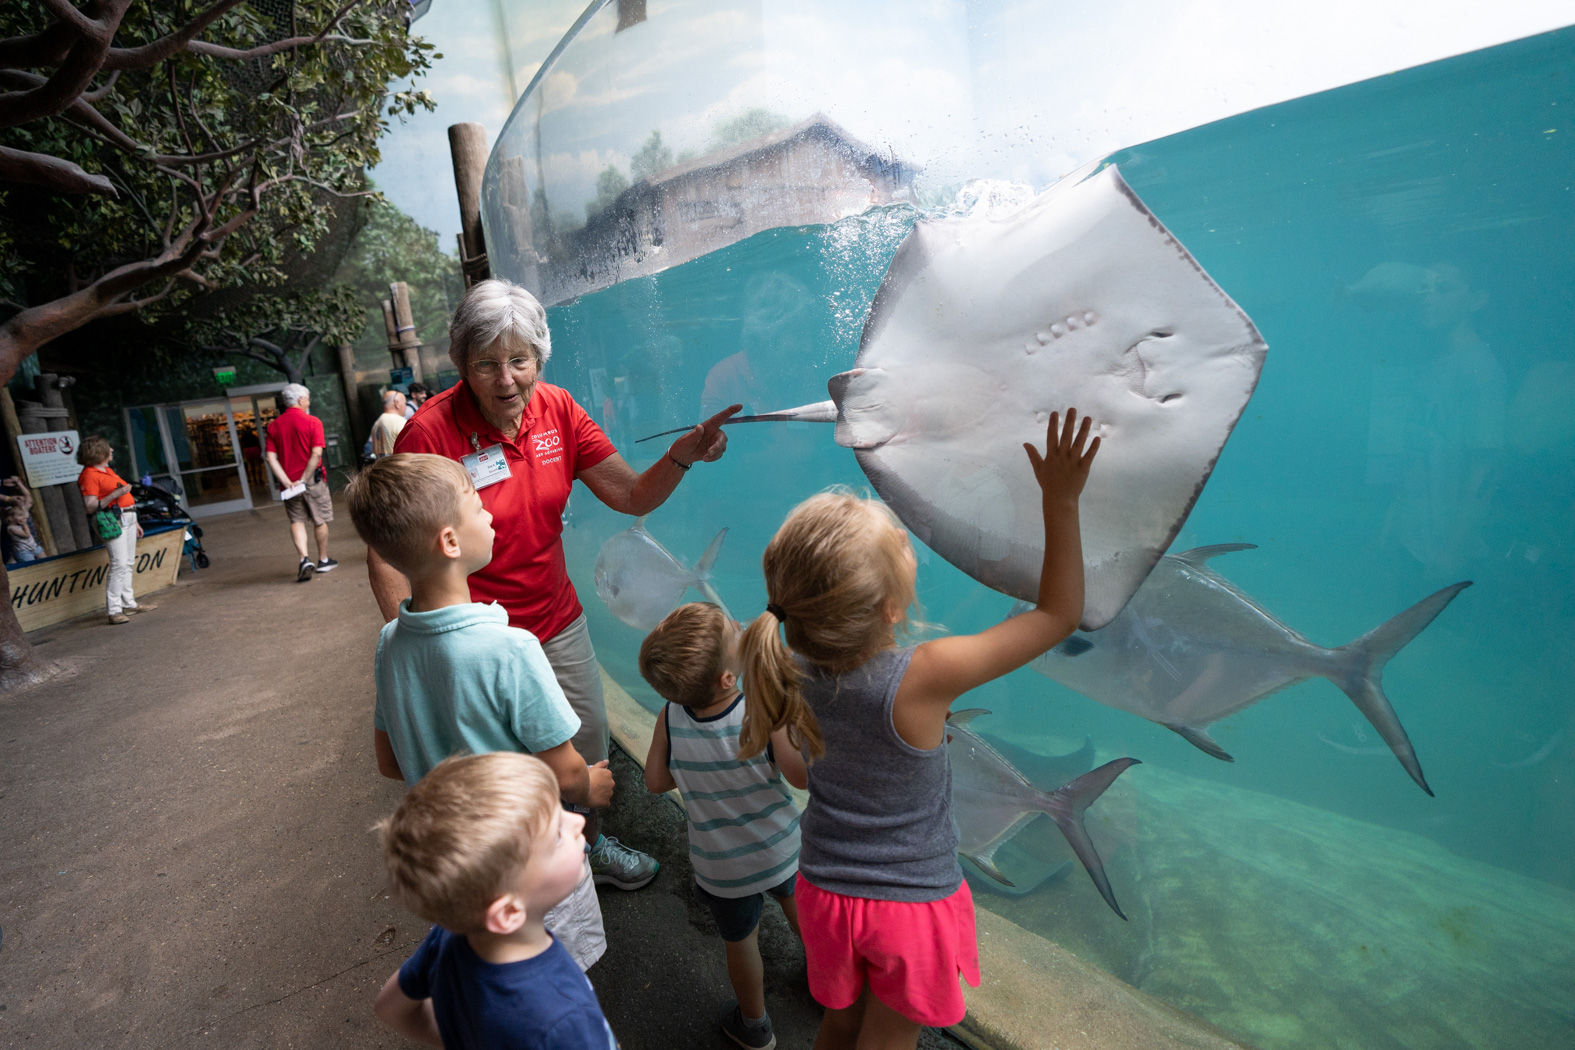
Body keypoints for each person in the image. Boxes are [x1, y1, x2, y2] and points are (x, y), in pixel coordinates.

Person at [737, 411, 1100, 1050]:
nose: (910, 545)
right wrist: (1061, 501)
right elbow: (1059, 613)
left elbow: (798, 772)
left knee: (841, 1022)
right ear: (892, 608)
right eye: (904, 547)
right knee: (889, 1036)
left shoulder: (784, 666)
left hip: (823, 891)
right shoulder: (924, 676)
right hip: (908, 908)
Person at [373, 277, 742, 891]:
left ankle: (586, 847)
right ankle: (519, 875)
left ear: (539, 358)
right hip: (475, 637)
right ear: (462, 364)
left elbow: (628, 493)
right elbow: (386, 552)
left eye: (519, 361)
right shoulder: (429, 435)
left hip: (556, 619)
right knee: (498, 765)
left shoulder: (559, 409)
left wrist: (681, 456)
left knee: (584, 746)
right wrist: (410, 638)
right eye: (486, 364)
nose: (506, 379)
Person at [347, 452, 614, 971]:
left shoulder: (389, 644)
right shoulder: (510, 648)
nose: (490, 513)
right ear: (450, 542)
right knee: (557, 980)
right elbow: (563, 771)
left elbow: (390, 762)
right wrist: (591, 787)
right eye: (477, 504)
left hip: (458, 871)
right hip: (531, 863)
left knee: (495, 977)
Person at [639, 602, 807, 1050]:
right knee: (803, 914)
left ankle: (754, 1027)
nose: (742, 626)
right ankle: (832, 983)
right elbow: (799, 775)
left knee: (741, 943)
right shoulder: (763, 712)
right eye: (735, 630)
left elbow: (655, 781)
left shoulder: (671, 718)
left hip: (721, 868)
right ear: (728, 679)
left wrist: (692, 764)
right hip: (781, 849)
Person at [372, 752, 618, 1050]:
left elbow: (390, 1007)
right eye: (555, 835)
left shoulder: (448, 937)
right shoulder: (564, 1022)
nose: (577, 821)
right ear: (509, 912)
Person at [76, 436, 156, 625]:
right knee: (119, 564)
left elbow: (122, 498)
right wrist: (115, 494)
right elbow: (89, 506)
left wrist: (135, 521)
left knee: (127, 562)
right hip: (111, 520)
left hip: (127, 517)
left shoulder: (107, 471)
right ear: (98, 452)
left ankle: (129, 603)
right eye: (107, 448)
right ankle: (114, 610)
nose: (111, 450)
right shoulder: (89, 474)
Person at [264, 383, 337, 581]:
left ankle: (304, 558)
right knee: (319, 519)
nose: (309, 402)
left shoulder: (273, 426)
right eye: (307, 398)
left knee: (297, 520)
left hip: (288, 487)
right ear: (300, 400)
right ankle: (323, 560)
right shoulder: (313, 422)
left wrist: (288, 482)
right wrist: (303, 479)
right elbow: (316, 453)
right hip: (312, 480)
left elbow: (271, 457)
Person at [2, 476, 45, 564]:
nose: (22, 499)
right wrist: (8, 499)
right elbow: (26, 535)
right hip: (21, 546)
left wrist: (18, 483)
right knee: (17, 560)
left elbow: (27, 495)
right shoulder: (10, 512)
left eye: (23, 499)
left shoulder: (24, 509)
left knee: (45, 561)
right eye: (19, 498)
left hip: (32, 542)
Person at [369, 390, 407, 458]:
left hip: (383, 466)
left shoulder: (377, 423)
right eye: (405, 403)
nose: (405, 407)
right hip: (399, 467)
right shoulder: (399, 421)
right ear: (397, 403)